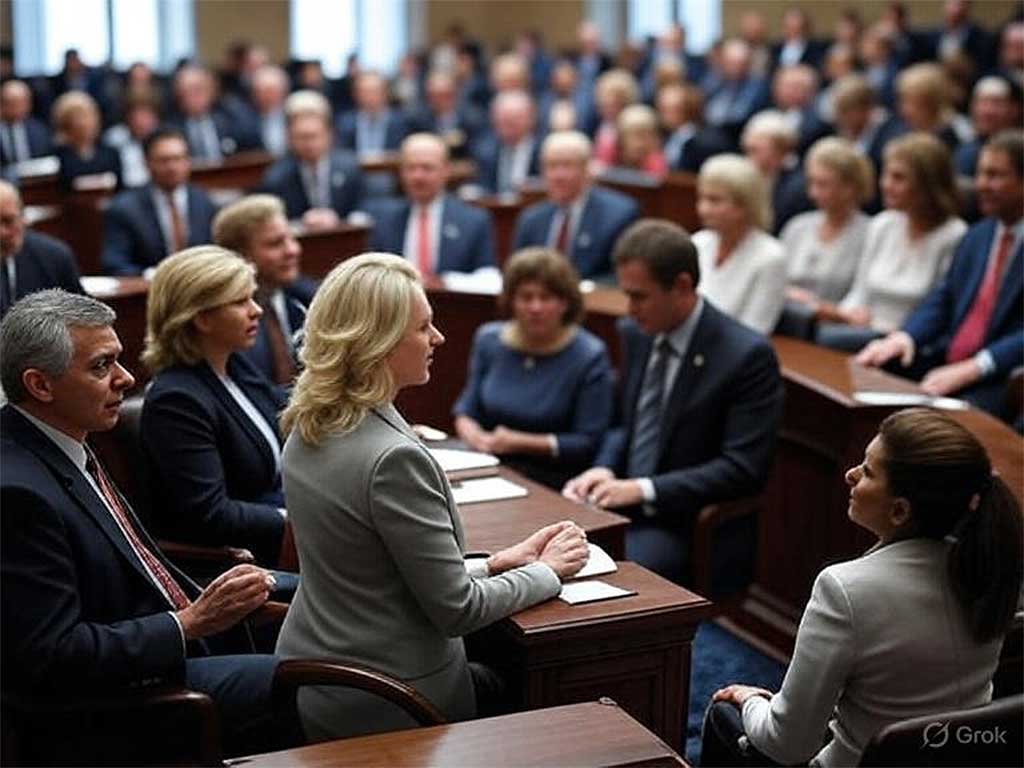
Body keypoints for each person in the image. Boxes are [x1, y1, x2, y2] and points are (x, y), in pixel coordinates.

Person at [275, 253, 588, 740]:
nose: (438, 338)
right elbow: (457, 610)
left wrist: (496, 564)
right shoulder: (393, 459)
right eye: (423, 327)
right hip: (390, 696)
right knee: (560, 701)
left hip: (314, 670)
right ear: (378, 342)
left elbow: (373, 571)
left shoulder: (309, 423)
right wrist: (547, 572)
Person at [0, 289, 283, 755]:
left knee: (327, 623)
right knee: (317, 682)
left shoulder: (64, 442)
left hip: (164, 645)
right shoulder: (16, 491)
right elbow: (52, 655)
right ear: (40, 385)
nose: (127, 378)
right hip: (117, 703)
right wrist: (189, 622)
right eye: (102, 366)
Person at [702, 407, 1023, 767]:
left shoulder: (844, 589)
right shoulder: (995, 568)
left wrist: (750, 700)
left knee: (723, 715)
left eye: (868, 471)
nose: (849, 474)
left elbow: (786, 745)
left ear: (900, 511)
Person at [562, 220, 783, 584]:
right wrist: (604, 468)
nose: (629, 309)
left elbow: (742, 468)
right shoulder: (636, 332)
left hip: (682, 522)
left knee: (599, 578)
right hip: (619, 504)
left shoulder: (745, 356)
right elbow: (625, 424)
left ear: (681, 286)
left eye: (639, 296)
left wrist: (642, 489)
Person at [140, 247, 289, 570]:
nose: (256, 311)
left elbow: (292, 417)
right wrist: (293, 518)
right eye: (240, 302)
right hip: (242, 565)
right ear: (201, 318)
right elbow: (211, 514)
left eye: (252, 298)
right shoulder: (176, 400)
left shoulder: (236, 366)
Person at [857, 131, 1023, 420]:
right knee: (869, 373)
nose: (981, 184)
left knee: (942, 425)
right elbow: (945, 297)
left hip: (1000, 375)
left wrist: (976, 366)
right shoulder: (979, 235)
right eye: (980, 173)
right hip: (947, 360)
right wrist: (906, 337)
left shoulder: (961, 231)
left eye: (995, 175)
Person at [454, 248, 614, 488]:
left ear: (565, 302)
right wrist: (472, 434)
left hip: (553, 479)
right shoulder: (489, 339)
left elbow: (588, 442)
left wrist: (519, 442)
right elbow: (467, 409)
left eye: (546, 298)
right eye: (526, 297)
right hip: (489, 467)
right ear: (511, 300)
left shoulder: (588, 354)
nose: (535, 307)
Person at [815, 133, 967, 352]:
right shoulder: (882, 224)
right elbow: (860, 292)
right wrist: (848, 314)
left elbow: (939, 308)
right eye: (885, 174)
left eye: (899, 178)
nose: (886, 184)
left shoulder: (954, 235)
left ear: (927, 184)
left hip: (908, 344)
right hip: (859, 333)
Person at [213, 194, 317, 386]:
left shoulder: (310, 298)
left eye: (291, 239)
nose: (292, 250)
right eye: (275, 244)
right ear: (239, 255)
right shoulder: (224, 323)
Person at [511, 131, 638, 281]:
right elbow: (518, 275)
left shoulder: (618, 215)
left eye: (567, 165)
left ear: (586, 169)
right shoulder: (531, 219)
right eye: (551, 166)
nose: (558, 176)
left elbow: (621, 277)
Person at [365, 133, 496, 277]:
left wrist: (445, 282)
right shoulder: (383, 219)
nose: (417, 176)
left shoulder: (474, 221)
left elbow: (488, 277)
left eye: (427, 168)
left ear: (446, 170)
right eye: (411, 168)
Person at [101, 127, 218, 276]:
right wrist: (154, 276)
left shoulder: (203, 202)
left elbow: (217, 254)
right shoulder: (124, 208)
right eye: (164, 160)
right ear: (146, 163)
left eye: (178, 159)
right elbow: (114, 264)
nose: (172, 167)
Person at [692, 154, 787, 335]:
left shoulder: (771, 257)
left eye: (714, 200)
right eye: (701, 198)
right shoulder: (698, 242)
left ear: (744, 205)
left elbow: (755, 329)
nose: (703, 209)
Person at [781, 138, 874, 313]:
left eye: (823, 184)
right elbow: (775, 282)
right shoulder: (797, 226)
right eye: (811, 182)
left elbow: (862, 297)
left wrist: (820, 308)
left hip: (837, 324)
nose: (813, 193)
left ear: (850, 187)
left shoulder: (871, 233)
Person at [258, 90, 364, 231]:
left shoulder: (350, 168)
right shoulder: (276, 177)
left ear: (329, 135)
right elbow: (276, 220)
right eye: (302, 137)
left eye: (314, 136)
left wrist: (340, 220)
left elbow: (363, 208)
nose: (309, 144)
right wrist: (302, 223)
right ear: (289, 138)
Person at [0, 180, 82, 318]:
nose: (2, 232)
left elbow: (82, 318)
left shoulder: (53, 257)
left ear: (23, 218)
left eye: (8, 221)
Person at [740, 110, 812, 234]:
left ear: (780, 149)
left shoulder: (798, 188)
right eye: (747, 150)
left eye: (754, 150)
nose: (747, 158)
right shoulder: (750, 177)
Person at [471, 89, 542, 194]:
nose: (509, 122)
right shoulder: (485, 152)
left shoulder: (543, 151)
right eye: (503, 118)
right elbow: (483, 188)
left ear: (531, 118)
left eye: (515, 117)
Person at [51, 91, 122, 191]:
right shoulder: (58, 157)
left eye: (88, 116)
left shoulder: (110, 153)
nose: (84, 123)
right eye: (77, 117)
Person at [656, 83, 733, 174]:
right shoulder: (668, 136)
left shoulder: (703, 144)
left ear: (688, 109)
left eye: (668, 110)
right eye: (661, 109)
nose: (662, 115)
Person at [0, 79, 53, 166]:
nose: (16, 108)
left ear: (29, 104)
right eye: (10, 103)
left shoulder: (40, 131)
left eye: (20, 103)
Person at [615, 104, 667, 178]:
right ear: (622, 137)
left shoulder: (656, 161)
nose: (640, 143)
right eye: (636, 135)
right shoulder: (613, 153)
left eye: (645, 136)